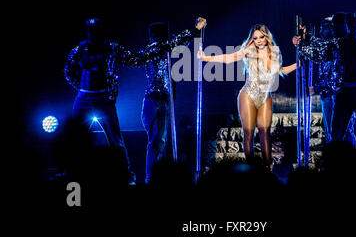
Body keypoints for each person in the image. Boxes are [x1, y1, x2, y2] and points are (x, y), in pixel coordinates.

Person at [64, 18, 192, 185]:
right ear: (87, 31)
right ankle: (70, 175)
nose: (93, 33)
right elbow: (69, 71)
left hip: (104, 99)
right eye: (90, 30)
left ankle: (126, 176)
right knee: (76, 139)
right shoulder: (79, 50)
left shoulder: (112, 49)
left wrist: (180, 39)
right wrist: (81, 87)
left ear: (101, 31)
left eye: (96, 30)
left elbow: (137, 59)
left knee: (116, 141)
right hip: (84, 98)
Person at [293, 12, 356, 180]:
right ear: (348, 25)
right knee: (336, 135)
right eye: (351, 23)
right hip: (345, 92)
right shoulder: (339, 44)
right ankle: (334, 172)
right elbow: (319, 52)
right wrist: (304, 41)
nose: (354, 26)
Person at [198, 23, 300, 168]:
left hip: (265, 96)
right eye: (255, 38)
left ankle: (267, 167)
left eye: (261, 37)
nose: (258, 40)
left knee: (265, 131)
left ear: (267, 37)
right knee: (249, 133)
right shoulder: (248, 50)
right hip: (248, 95)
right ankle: (251, 168)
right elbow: (229, 58)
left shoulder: (275, 51)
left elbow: (282, 70)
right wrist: (206, 58)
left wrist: (298, 64)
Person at [142, 18, 206, 184]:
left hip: (164, 99)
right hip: (153, 100)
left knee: (161, 140)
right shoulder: (154, 49)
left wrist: (194, 34)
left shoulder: (166, 51)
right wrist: (193, 29)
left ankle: (158, 176)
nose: (163, 38)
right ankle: (151, 177)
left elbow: (180, 46)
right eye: (162, 36)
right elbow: (175, 43)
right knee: (156, 139)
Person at [313, 14, 356, 145]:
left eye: (325, 27)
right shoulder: (324, 48)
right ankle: (333, 161)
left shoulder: (344, 44)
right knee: (329, 132)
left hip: (342, 94)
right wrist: (318, 87)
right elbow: (323, 72)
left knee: (346, 129)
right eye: (322, 28)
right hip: (326, 94)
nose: (322, 31)